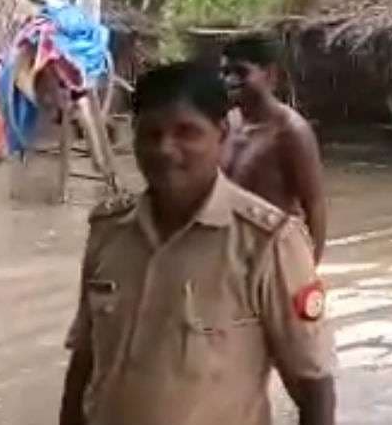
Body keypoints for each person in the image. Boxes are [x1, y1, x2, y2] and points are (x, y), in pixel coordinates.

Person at [59, 63, 336, 425]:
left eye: (186, 132)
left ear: (221, 134)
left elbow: (313, 384)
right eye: (151, 133)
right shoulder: (108, 231)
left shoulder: (269, 243)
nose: (165, 149)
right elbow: (85, 361)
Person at [220, 35, 328, 262]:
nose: (229, 80)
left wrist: (308, 272)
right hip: (233, 256)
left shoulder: (291, 131)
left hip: (275, 258)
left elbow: (315, 205)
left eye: (240, 72)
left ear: (270, 75)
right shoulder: (229, 123)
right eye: (225, 72)